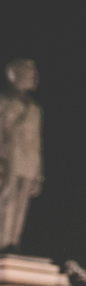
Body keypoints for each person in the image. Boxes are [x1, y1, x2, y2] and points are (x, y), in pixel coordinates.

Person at [0, 59, 44, 252]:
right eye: (29, 75)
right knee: (6, 201)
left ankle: (13, 243)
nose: (33, 79)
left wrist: (39, 171)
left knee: (21, 205)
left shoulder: (35, 108)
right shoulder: (4, 102)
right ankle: (3, 242)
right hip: (9, 159)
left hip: (29, 162)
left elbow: (37, 141)